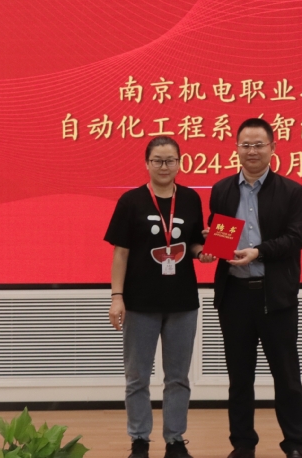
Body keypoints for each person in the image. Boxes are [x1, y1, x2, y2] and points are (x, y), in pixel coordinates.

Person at [105, 136, 217, 458]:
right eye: (158, 160)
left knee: (178, 378)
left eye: (170, 160)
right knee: (137, 377)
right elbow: (121, 253)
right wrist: (117, 296)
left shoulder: (191, 199)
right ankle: (139, 439)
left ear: (180, 163)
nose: (164, 166)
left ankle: (175, 440)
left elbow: (193, 244)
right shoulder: (131, 201)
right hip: (140, 303)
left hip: (182, 303)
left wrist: (204, 252)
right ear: (147, 163)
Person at [208, 118, 302, 458]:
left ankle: (294, 445)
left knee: (287, 376)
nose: (251, 151)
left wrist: (258, 251)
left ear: (272, 148)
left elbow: (295, 238)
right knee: (239, 378)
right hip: (234, 296)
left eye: (258, 145)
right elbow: (219, 235)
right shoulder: (222, 190)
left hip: (275, 297)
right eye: (245, 145)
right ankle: (242, 444)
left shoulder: (291, 191)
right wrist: (212, 247)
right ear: (236, 148)